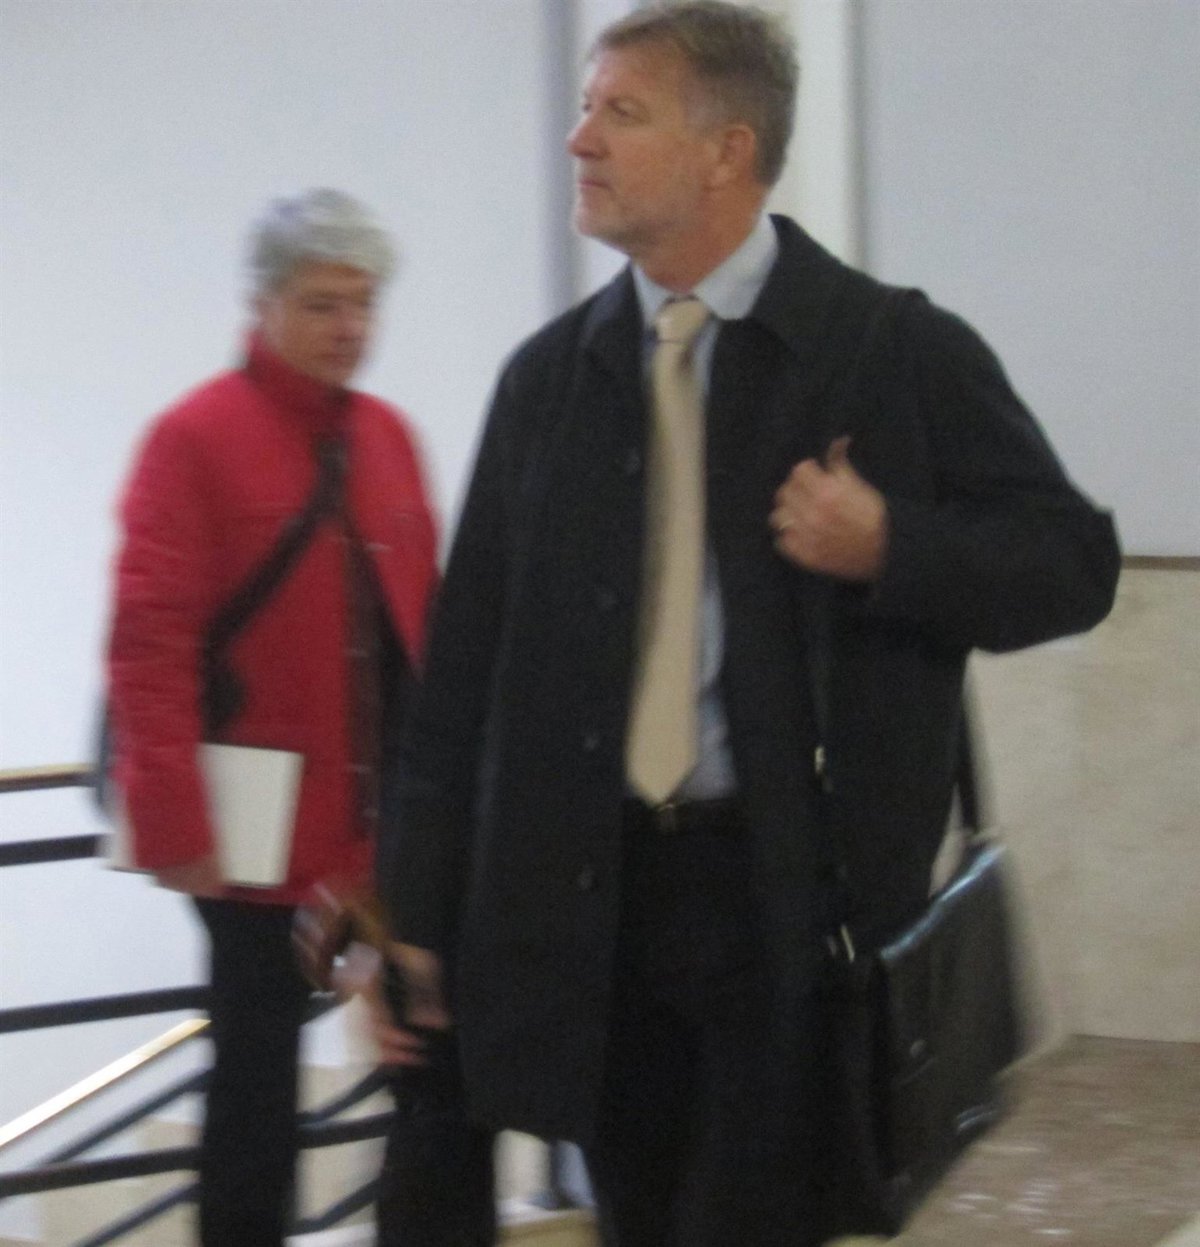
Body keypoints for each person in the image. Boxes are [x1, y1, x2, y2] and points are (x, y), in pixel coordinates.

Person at [377, 5, 1121, 1246]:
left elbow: (1074, 564)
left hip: (785, 914)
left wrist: (893, 545)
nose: (579, 140)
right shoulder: (549, 381)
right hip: (589, 908)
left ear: (728, 151)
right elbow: (462, 679)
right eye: (586, 106)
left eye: (622, 113)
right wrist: (416, 913)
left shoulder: (891, 350)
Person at [105, 188, 457, 1246]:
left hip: (387, 832)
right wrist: (176, 825)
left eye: (363, 303)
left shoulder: (390, 438)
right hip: (250, 841)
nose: (349, 327)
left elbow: (428, 628)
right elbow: (150, 641)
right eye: (321, 304)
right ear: (262, 307)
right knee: (254, 1098)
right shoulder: (193, 439)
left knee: (432, 1071)